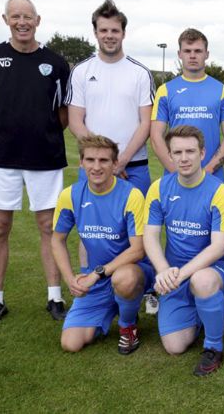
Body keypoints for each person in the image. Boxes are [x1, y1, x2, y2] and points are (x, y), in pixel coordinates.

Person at [0, 0, 71, 326]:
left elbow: (62, 114)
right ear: (6, 20)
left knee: (49, 226)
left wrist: (37, 136)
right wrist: (6, 139)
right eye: (15, 17)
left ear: (38, 20)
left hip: (45, 158)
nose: (22, 22)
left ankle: (55, 296)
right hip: (0, 159)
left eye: (27, 17)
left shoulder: (56, 64)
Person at [143, 125, 224, 377]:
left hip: (214, 269)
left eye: (190, 151)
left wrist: (179, 275)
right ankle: (206, 311)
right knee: (175, 346)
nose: (184, 158)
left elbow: (218, 247)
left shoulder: (220, 191)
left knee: (202, 281)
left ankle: (213, 347)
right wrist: (163, 270)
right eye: (178, 152)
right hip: (174, 273)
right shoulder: (159, 188)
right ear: (170, 155)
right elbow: (150, 236)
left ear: (202, 153)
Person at [52, 135, 153, 354]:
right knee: (71, 344)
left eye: (104, 161)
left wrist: (96, 274)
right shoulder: (70, 195)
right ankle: (115, 306)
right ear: (81, 162)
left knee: (124, 279)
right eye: (90, 160)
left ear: (115, 164)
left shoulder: (131, 195)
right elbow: (57, 240)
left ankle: (127, 325)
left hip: (131, 271)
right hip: (95, 280)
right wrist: (71, 279)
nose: (96, 167)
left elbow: (138, 249)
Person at [67, 0, 154, 195]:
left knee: (137, 226)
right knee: (93, 225)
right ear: (95, 33)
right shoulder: (81, 71)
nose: (109, 35)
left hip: (134, 165)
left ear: (123, 33)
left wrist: (121, 161)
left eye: (115, 30)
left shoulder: (140, 72)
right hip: (94, 167)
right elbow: (75, 122)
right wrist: (104, 160)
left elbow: (146, 123)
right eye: (104, 30)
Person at [151, 28, 224, 184]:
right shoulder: (165, 91)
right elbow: (156, 137)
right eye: (187, 50)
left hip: (213, 178)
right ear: (179, 54)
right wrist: (177, 171)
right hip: (175, 178)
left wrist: (209, 170)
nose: (192, 55)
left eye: (198, 51)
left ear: (207, 54)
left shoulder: (223, 91)